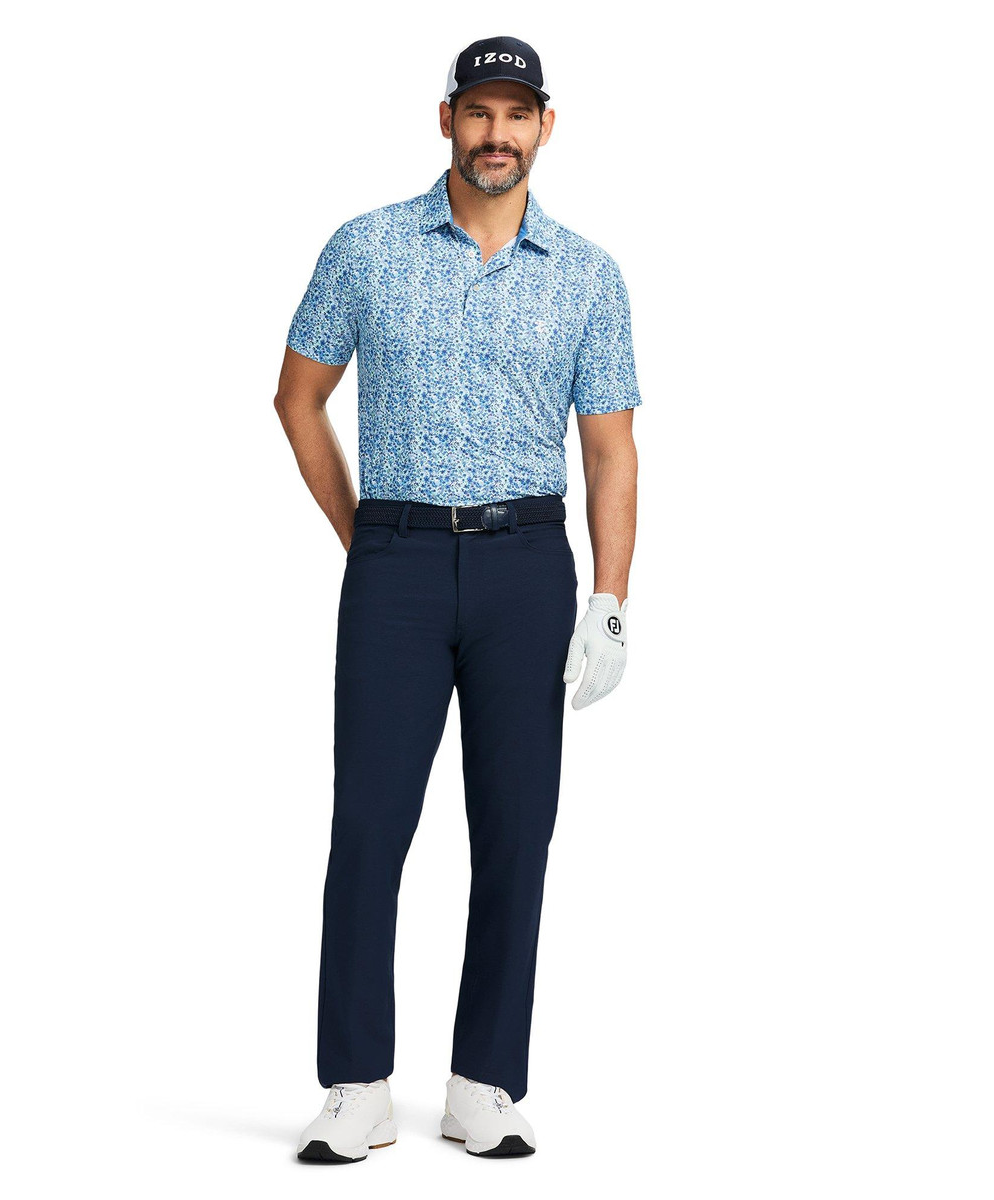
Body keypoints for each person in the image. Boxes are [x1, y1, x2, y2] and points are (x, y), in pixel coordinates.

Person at [275, 35, 641, 1162]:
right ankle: (355, 1086)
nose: (496, 134)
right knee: (368, 824)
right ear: (446, 121)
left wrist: (611, 599)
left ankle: (485, 1081)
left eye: (516, 115)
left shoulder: (588, 275)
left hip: (527, 565)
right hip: (395, 559)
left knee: (517, 829)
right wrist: (366, 535)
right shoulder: (366, 248)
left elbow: (611, 451)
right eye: (478, 112)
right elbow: (296, 398)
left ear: (545, 127)